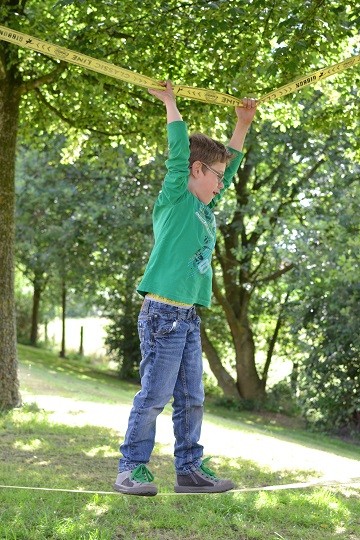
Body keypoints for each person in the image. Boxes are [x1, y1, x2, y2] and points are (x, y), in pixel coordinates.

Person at [114, 81, 257, 496]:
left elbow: (226, 170)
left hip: (187, 316)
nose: (222, 183)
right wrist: (171, 104)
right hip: (162, 314)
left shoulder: (204, 207)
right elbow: (179, 155)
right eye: (214, 174)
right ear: (196, 171)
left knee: (192, 397)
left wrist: (242, 126)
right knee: (155, 396)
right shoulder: (176, 196)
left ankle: (189, 469)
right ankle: (131, 468)